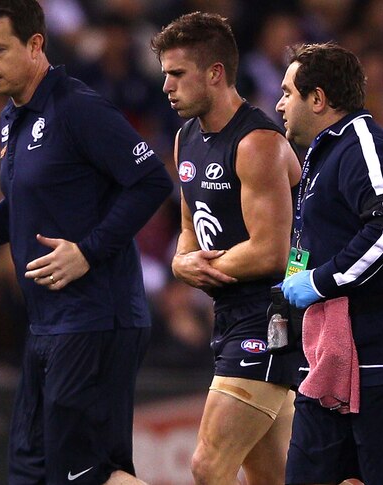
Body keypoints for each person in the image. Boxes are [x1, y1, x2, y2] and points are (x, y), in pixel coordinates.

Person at [0, 1, 173, 484]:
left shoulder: (78, 107)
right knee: (30, 471)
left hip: (97, 320)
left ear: (36, 44)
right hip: (47, 325)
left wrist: (88, 251)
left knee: (85, 475)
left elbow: (151, 181)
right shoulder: (11, 119)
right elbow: (26, 206)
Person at [276, 42, 383, 485]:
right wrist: (293, 289)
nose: (279, 104)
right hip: (331, 352)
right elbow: (310, 241)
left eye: (287, 93)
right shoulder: (319, 156)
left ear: (318, 99)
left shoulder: (364, 144)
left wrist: (322, 281)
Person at [150, 12, 302, 485]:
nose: (166, 87)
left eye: (177, 74)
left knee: (208, 464)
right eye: (164, 75)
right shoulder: (185, 139)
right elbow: (188, 231)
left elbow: (272, 253)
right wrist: (180, 262)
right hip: (231, 312)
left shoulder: (257, 142)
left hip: (271, 315)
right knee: (268, 477)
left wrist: (198, 266)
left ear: (215, 73)